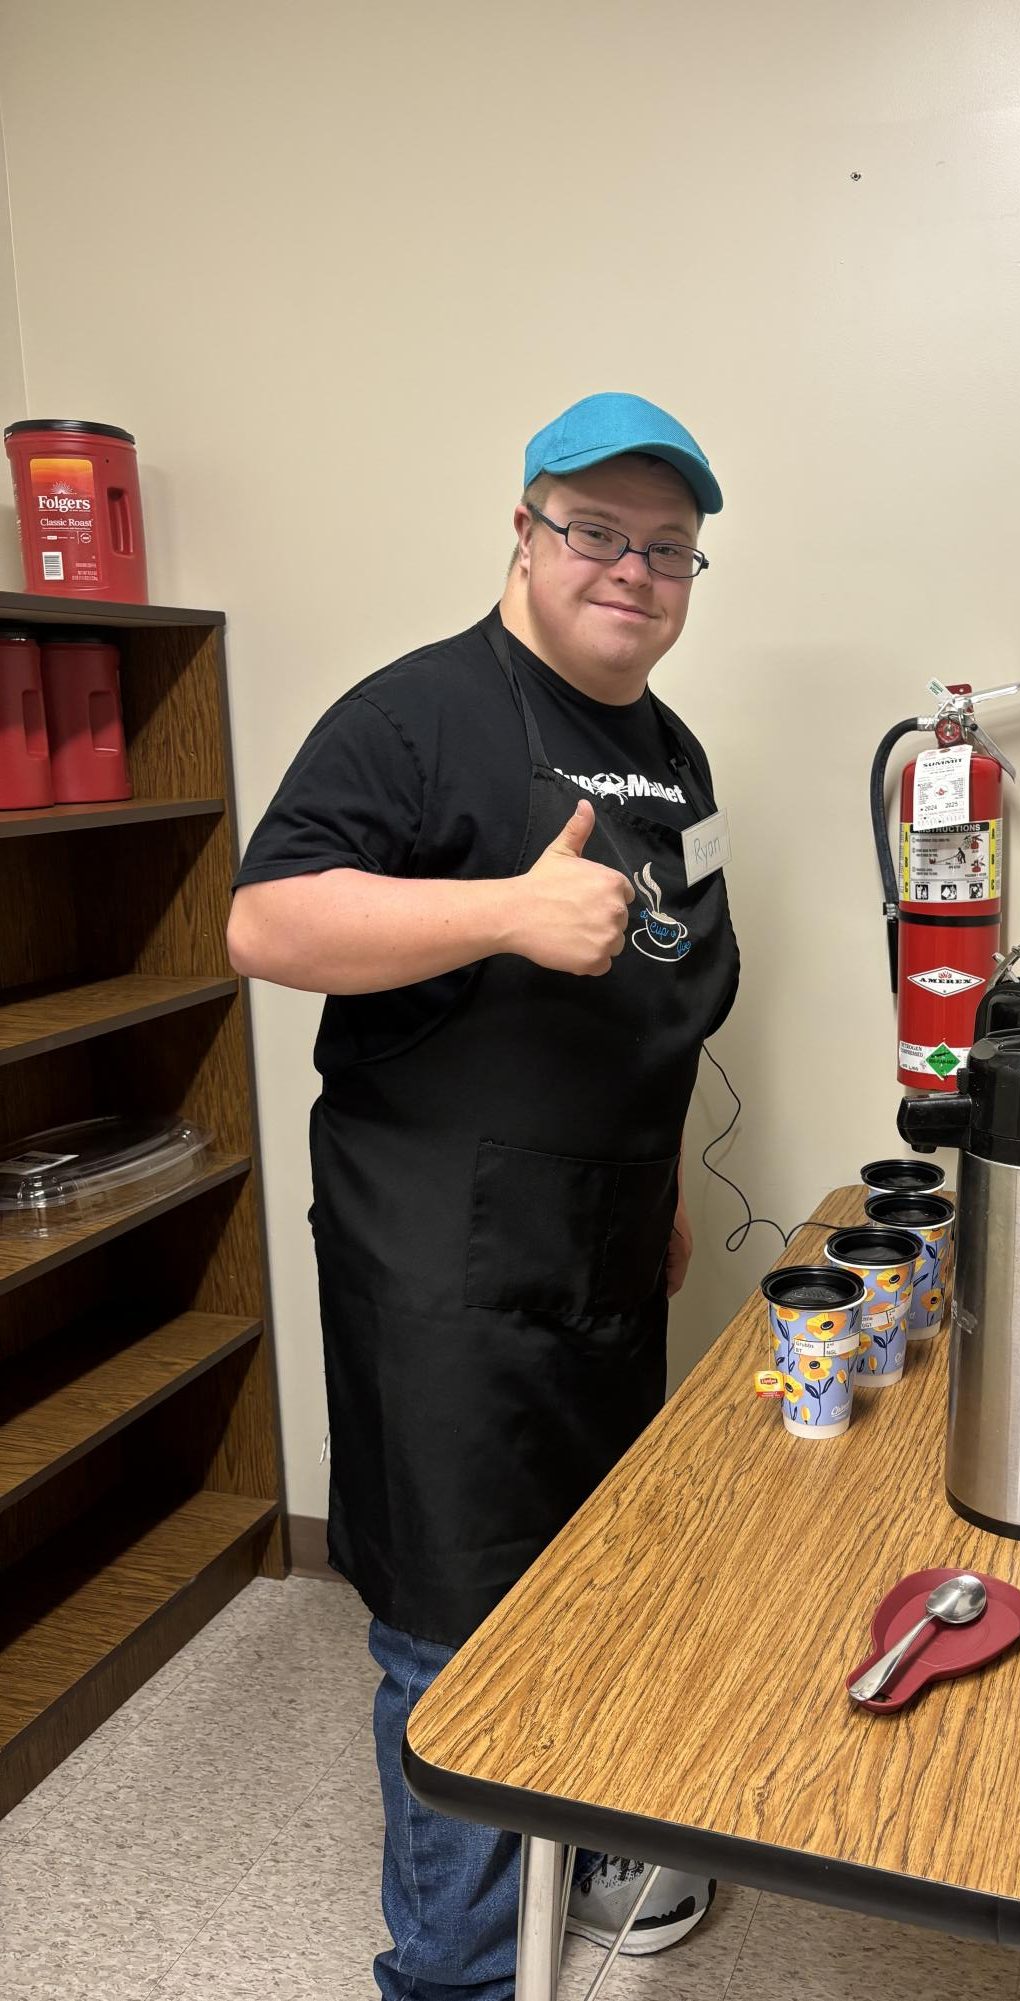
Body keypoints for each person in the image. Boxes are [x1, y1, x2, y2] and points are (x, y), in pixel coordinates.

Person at [226, 393, 739, 2001]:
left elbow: (661, 977)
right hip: (437, 1250)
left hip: (597, 1242)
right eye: (596, 531)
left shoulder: (671, 753)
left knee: (589, 1569)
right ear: (522, 533)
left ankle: (570, 1843)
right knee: (451, 1611)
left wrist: (652, 1187)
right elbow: (267, 925)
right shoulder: (413, 711)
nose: (632, 570)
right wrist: (506, 911)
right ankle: (448, 1972)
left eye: (667, 550)